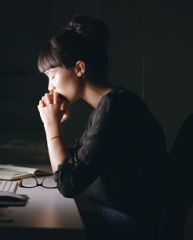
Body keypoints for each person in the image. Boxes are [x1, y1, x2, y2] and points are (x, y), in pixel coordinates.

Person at [36, 14, 168, 240]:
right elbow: (73, 165)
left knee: (41, 229)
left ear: (79, 68)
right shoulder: (109, 105)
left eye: (53, 76)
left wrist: (52, 126)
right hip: (119, 219)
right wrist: (55, 124)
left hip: (128, 228)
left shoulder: (114, 108)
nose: (50, 88)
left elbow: (68, 184)